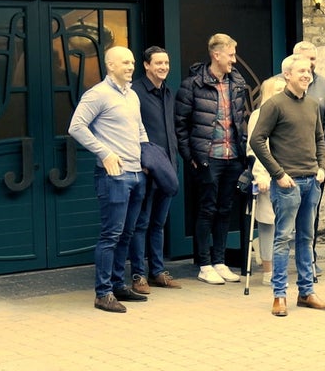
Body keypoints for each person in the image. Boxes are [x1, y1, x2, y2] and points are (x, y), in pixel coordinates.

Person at [68, 46, 150, 313]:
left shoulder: (133, 95)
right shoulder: (98, 94)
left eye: (133, 62)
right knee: (111, 235)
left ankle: (117, 285)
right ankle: (102, 294)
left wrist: (147, 158)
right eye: (125, 62)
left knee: (126, 234)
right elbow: (76, 126)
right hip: (113, 175)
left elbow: (139, 128)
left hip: (137, 173)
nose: (131, 66)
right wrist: (104, 153)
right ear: (110, 65)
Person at [250, 54, 325, 316]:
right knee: (283, 238)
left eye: (309, 71)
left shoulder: (312, 104)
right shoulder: (274, 105)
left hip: (312, 182)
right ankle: (279, 295)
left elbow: (320, 138)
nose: (307, 75)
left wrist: (321, 167)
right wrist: (278, 174)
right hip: (287, 184)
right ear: (287, 75)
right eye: (301, 71)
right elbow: (257, 140)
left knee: (306, 239)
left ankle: (307, 292)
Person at [175, 33, 251, 285]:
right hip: (208, 158)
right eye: (231, 55)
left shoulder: (237, 83)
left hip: (233, 157)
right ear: (216, 55)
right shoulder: (193, 84)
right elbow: (181, 125)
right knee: (207, 209)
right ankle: (205, 264)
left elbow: (242, 119)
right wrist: (191, 157)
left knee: (225, 209)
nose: (234, 60)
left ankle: (220, 261)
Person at [128, 46, 182, 294]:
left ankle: (158, 272)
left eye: (166, 63)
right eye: (158, 63)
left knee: (158, 223)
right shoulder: (135, 92)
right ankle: (139, 275)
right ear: (147, 65)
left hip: (168, 166)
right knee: (141, 223)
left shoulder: (168, 92)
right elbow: (130, 131)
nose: (163, 67)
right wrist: (142, 162)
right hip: (147, 169)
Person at [294, 41, 325, 279]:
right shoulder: (281, 80)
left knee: (312, 212)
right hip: (290, 161)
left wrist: (323, 153)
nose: (310, 65)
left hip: (315, 159)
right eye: (305, 60)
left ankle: (310, 257)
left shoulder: (324, 84)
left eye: (313, 60)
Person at [247, 76, 286, 286]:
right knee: (268, 224)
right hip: (267, 175)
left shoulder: (289, 112)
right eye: (278, 89)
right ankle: (268, 270)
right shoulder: (258, 115)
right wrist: (260, 175)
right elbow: (254, 148)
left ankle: (279, 266)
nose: (282, 91)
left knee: (286, 225)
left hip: (288, 175)